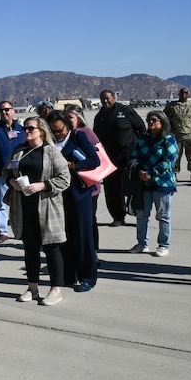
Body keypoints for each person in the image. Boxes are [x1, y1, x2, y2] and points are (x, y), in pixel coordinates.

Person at [4, 117, 70, 306]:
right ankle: (32, 288)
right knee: (30, 248)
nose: (26, 131)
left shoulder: (51, 152)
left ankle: (56, 290)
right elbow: (6, 171)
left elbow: (65, 178)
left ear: (41, 130)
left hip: (47, 207)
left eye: (30, 128)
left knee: (52, 248)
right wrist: (12, 183)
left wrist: (43, 185)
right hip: (24, 208)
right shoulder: (19, 152)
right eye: (24, 128)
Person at [47, 111, 100, 292]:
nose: (57, 134)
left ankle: (88, 277)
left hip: (80, 194)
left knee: (83, 236)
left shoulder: (79, 137)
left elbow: (94, 161)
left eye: (60, 130)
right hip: (59, 195)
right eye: (53, 131)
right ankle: (68, 275)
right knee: (64, 236)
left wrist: (73, 165)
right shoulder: (50, 142)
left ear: (67, 126)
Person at [129, 110, 178, 256]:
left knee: (163, 216)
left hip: (163, 184)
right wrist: (138, 171)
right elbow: (134, 156)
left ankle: (163, 245)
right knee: (142, 215)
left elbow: (168, 162)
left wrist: (150, 173)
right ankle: (142, 243)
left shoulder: (168, 140)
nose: (151, 122)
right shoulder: (143, 139)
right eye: (149, 120)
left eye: (154, 120)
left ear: (162, 122)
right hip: (143, 184)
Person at [93, 90, 146, 226]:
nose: (105, 101)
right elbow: (96, 138)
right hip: (110, 159)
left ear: (114, 98)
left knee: (134, 187)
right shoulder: (100, 116)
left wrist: (141, 148)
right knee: (111, 189)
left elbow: (141, 128)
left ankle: (140, 215)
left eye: (108, 98)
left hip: (130, 157)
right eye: (102, 99)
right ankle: (118, 217)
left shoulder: (126, 111)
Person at [64, 104, 104, 250]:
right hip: (72, 186)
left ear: (79, 118)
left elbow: (97, 156)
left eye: (71, 117)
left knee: (89, 220)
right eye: (66, 117)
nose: (68, 120)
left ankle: (93, 250)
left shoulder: (85, 133)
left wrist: (76, 164)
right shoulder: (65, 135)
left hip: (89, 184)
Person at [0, 101, 25, 244]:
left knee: (22, 202)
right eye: (1, 110)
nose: (4, 112)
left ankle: (22, 230)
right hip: (2, 173)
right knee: (1, 203)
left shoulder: (22, 129)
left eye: (7, 109)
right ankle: (3, 231)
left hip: (20, 173)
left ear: (13, 111)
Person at [164, 88, 191, 182]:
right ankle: (174, 174)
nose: (183, 94)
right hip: (176, 135)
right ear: (179, 94)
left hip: (190, 135)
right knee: (175, 156)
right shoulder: (172, 106)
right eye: (182, 93)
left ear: (188, 95)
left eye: (186, 93)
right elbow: (163, 117)